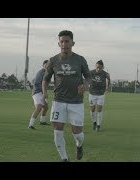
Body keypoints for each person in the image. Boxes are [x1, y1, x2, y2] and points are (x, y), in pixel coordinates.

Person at [42, 30, 90, 162]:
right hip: (59, 101)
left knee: (78, 134)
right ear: (59, 43)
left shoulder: (80, 60)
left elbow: (88, 76)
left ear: (72, 43)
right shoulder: (53, 60)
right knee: (57, 131)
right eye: (62, 41)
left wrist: (86, 85)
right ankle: (64, 158)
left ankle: (79, 145)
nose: (64, 44)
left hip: (76, 102)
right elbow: (45, 79)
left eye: (67, 41)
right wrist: (45, 93)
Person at [88, 60, 111, 132]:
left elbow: (109, 79)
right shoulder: (91, 72)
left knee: (99, 109)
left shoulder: (105, 74)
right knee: (92, 109)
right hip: (92, 94)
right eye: (97, 67)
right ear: (95, 66)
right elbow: (86, 78)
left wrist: (108, 87)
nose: (98, 69)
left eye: (100, 68)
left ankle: (98, 125)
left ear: (102, 67)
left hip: (101, 94)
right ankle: (94, 122)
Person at [28, 60, 50, 130]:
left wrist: (45, 92)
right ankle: (30, 125)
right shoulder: (41, 73)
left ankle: (42, 121)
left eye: (49, 65)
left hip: (41, 92)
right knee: (38, 108)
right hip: (37, 92)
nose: (47, 66)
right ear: (43, 65)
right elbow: (39, 84)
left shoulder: (47, 73)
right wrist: (44, 93)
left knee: (46, 107)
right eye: (46, 64)